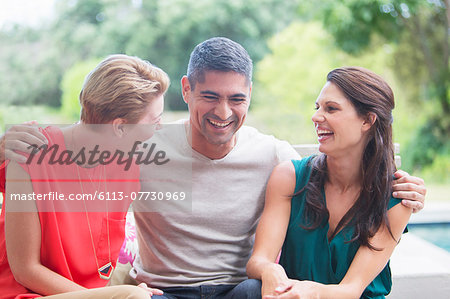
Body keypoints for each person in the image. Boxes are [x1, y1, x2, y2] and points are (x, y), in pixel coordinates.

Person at [0, 38, 427, 299]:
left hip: (238, 290)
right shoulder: (141, 147)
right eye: (209, 96)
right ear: (186, 90)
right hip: (164, 291)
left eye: (237, 99)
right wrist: (6, 147)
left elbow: (333, 163)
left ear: (250, 96)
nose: (223, 112)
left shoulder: (273, 156)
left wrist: (401, 184)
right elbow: (79, 148)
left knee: (252, 292)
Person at [0, 54, 169, 298]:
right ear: (120, 127)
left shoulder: (127, 167)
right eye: (155, 120)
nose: (160, 127)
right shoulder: (31, 151)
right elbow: (26, 270)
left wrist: (112, 293)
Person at [246, 67, 415, 298]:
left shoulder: (396, 199)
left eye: (331, 109)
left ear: (367, 120)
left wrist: (309, 291)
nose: (316, 117)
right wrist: (269, 269)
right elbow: (258, 260)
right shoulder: (289, 178)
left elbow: (352, 289)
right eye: (317, 108)